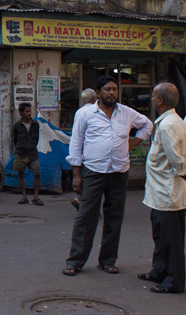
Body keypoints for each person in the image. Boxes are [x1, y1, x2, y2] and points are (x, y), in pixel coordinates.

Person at [63, 75, 153, 276]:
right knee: (86, 217)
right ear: (98, 93)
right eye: (107, 89)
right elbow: (75, 143)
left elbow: (148, 125)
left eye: (114, 89)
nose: (112, 93)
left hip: (119, 172)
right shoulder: (85, 113)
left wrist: (135, 142)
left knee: (114, 217)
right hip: (93, 171)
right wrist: (76, 174)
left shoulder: (127, 113)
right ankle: (75, 261)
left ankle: (107, 260)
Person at [139, 82, 186, 294]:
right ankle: (160, 270)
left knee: (171, 240)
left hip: (168, 192)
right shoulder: (172, 121)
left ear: (160, 100)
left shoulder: (169, 124)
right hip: (161, 192)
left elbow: (178, 160)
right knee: (161, 236)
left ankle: (174, 280)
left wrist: (185, 174)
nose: (152, 99)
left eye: (153, 96)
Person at [72, 90, 98, 210]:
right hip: (91, 152)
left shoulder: (79, 112)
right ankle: (82, 200)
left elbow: (76, 137)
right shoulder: (95, 111)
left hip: (82, 150)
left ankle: (81, 199)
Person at [12, 102, 42, 205]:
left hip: (33, 152)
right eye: (27, 111)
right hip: (20, 152)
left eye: (30, 111)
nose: (29, 113)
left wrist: (32, 145)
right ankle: (24, 196)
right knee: (21, 174)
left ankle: (36, 196)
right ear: (21, 113)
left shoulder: (35, 124)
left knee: (37, 173)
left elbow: (36, 138)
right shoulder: (17, 126)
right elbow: (14, 140)